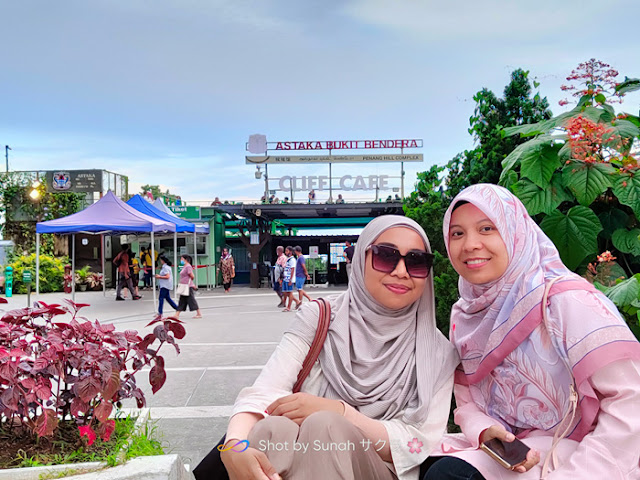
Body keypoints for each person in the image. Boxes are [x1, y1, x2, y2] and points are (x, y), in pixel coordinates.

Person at [194, 215, 458, 480]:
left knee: (326, 427)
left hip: (378, 469)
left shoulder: (436, 351)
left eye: (416, 261)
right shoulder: (319, 317)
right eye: (386, 257)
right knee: (272, 429)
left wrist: (341, 414)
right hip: (299, 461)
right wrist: (234, 445)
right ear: (360, 262)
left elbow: (417, 440)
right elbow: (264, 391)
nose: (401, 271)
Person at [425, 184, 640, 480]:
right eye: (457, 233)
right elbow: (468, 402)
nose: (470, 244)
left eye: (487, 228)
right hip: (513, 454)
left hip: (586, 454)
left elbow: (631, 401)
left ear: (516, 233)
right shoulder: (466, 315)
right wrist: (485, 431)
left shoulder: (566, 300)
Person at [175, 254, 202, 319]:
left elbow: (192, 276)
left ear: (185, 260)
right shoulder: (183, 266)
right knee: (182, 300)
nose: (181, 260)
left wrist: (191, 283)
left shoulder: (188, 266)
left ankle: (199, 313)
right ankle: (177, 314)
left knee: (191, 300)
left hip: (187, 286)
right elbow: (179, 271)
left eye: (182, 259)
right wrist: (181, 264)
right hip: (183, 285)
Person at [282, 245, 299, 312]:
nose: (286, 252)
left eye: (287, 251)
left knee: (290, 292)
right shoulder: (288, 259)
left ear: (290, 252)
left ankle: (288, 307)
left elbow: (292, 270)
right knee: (286, 293)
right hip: (285, 278)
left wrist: (290, 279)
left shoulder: (292, 260)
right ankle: (297, 301)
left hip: (289, 278)